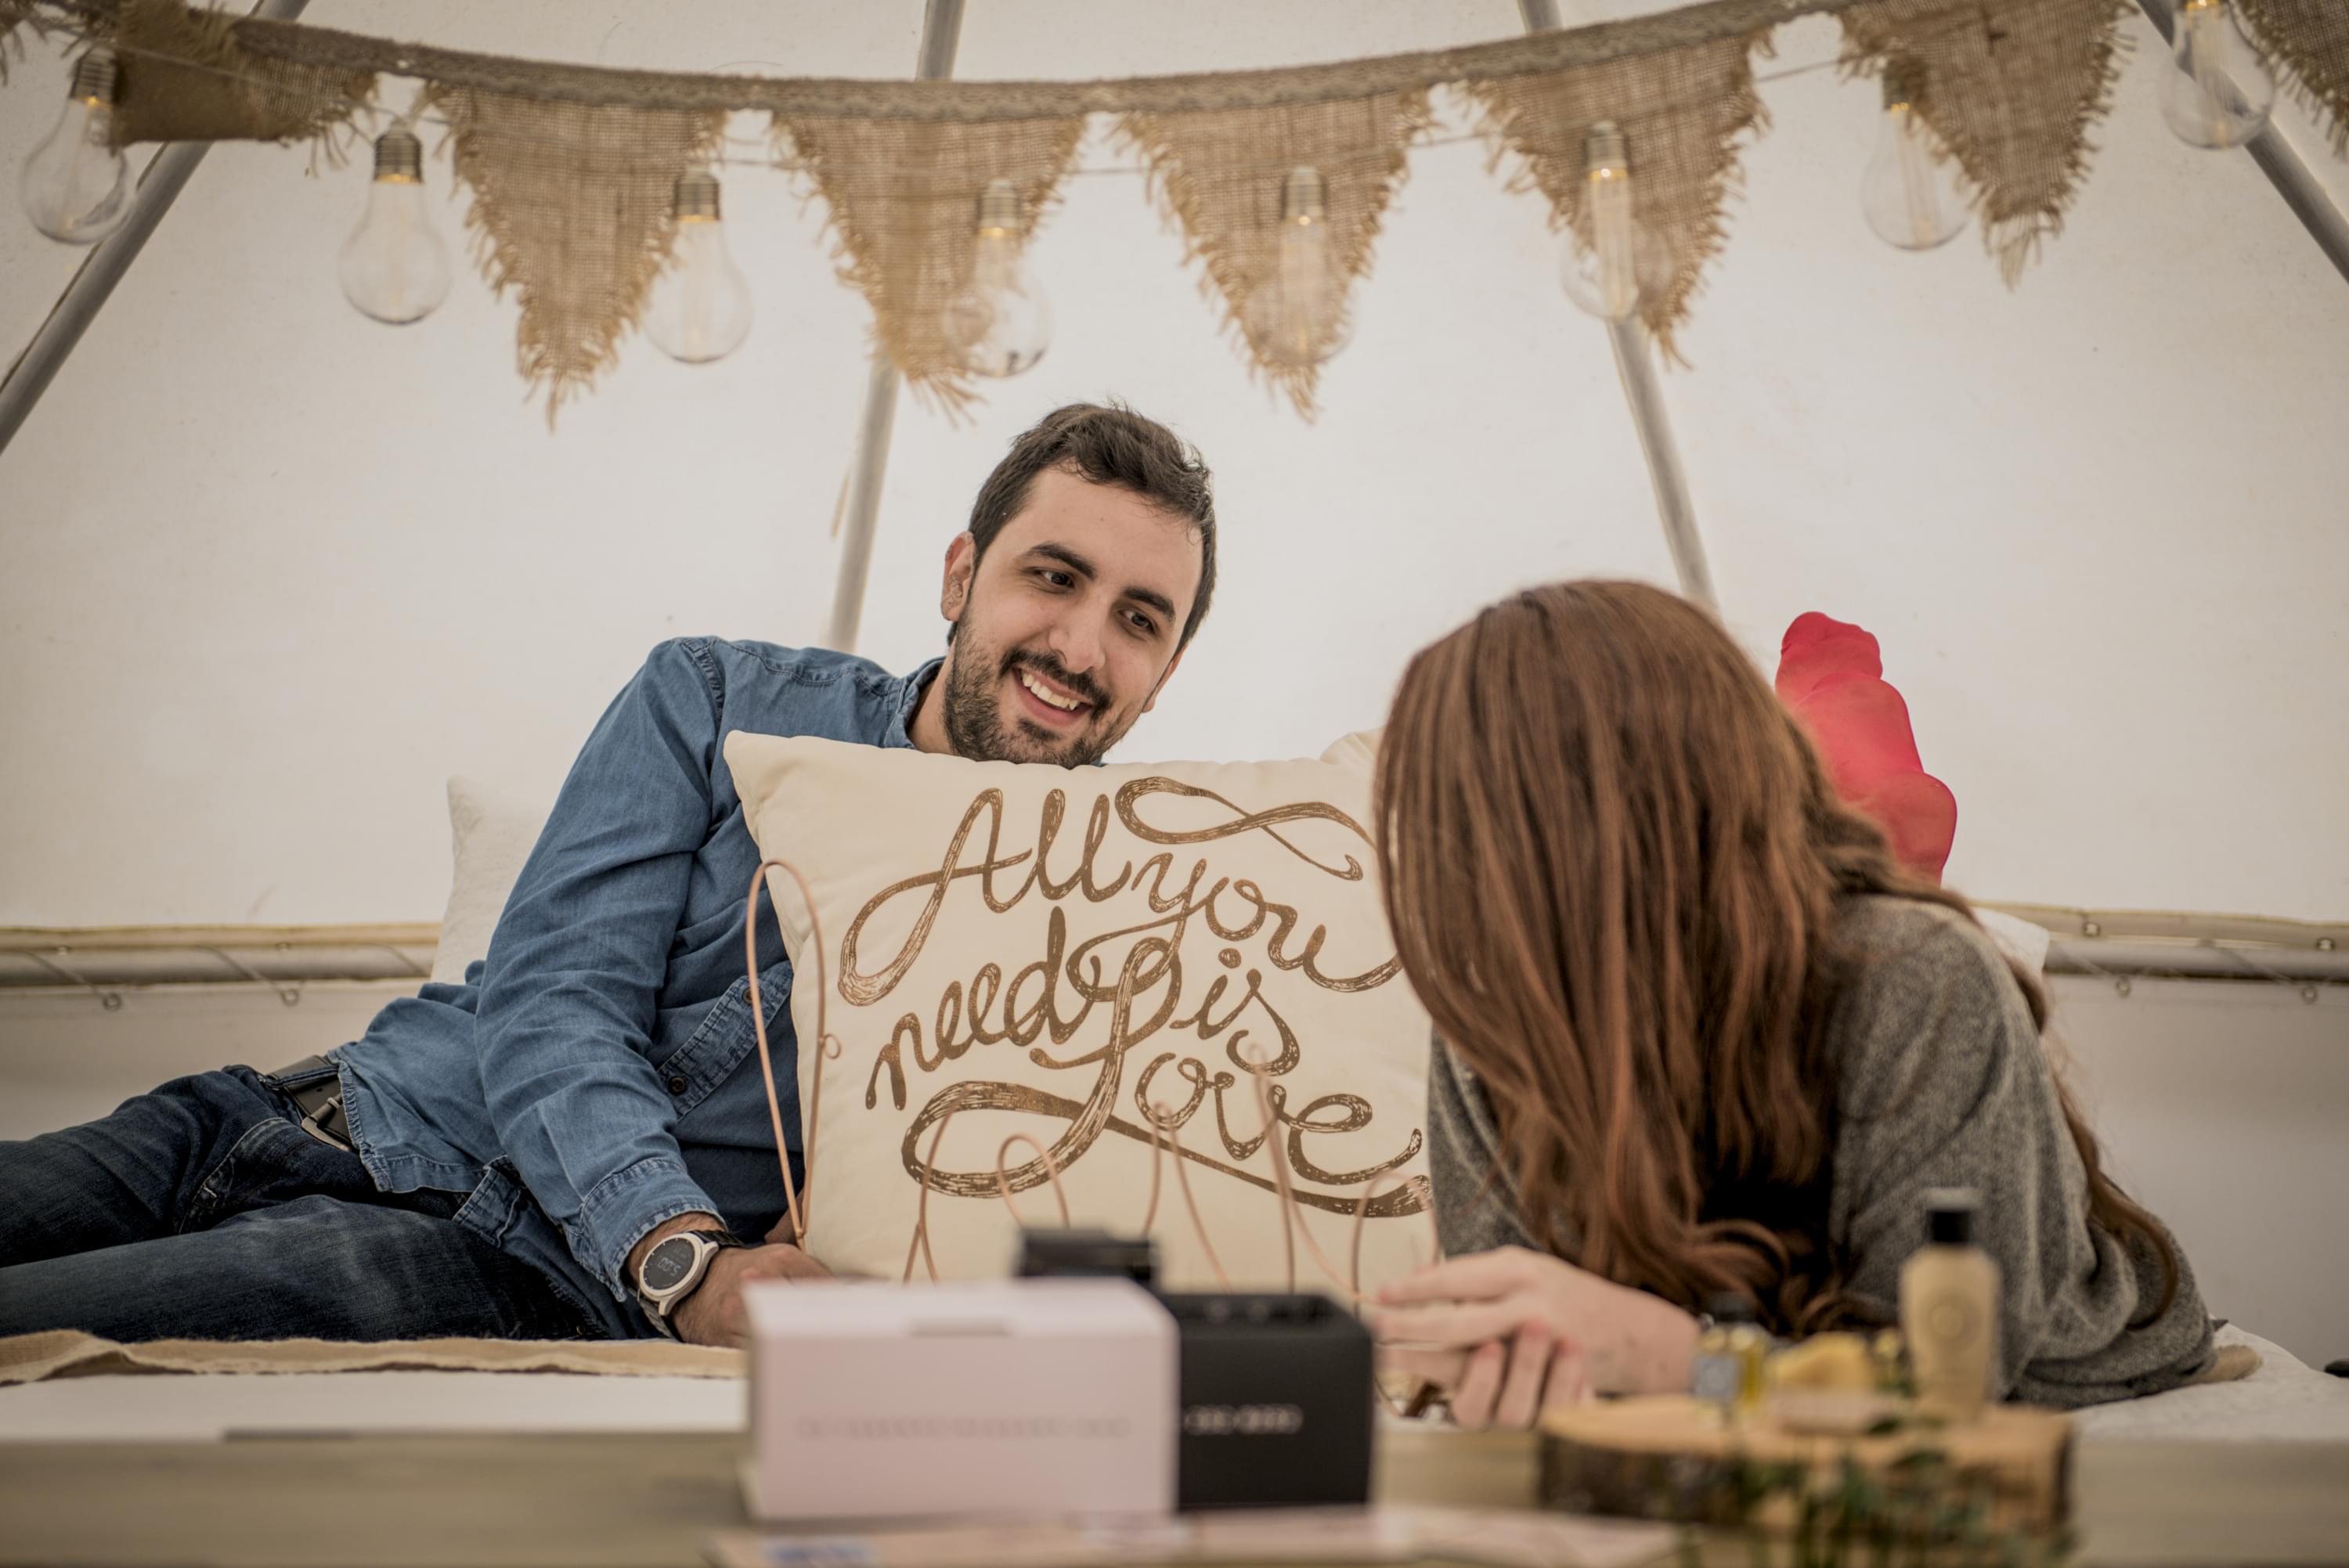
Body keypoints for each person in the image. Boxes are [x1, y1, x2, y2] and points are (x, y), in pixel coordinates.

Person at [0, 402, 1218, 1348]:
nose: (1079, 645)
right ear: (961, 576)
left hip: (501, 1264)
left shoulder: (1134, 920)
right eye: (1053, 576)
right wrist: (685, 1255)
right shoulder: (718, 697)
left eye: (1140, 618)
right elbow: (558, 997)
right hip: (322, 1110)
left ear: (1163, 676)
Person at [1365, 580, 2214, 1426]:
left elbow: (1931, 1393)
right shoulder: (1492, 1013)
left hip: (2034, 1382)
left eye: (1497, 836)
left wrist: (1674, 1359)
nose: (1474, 892)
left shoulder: (1918, 978)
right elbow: (1536, 1350)